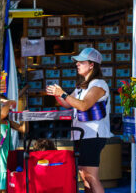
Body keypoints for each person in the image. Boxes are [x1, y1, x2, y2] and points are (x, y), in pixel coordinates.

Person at [46, 47, 109, 193]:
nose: (77, 64)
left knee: (91, 176)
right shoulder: (82, 86)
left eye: (81, 62)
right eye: (77, 62)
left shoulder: (99, 85)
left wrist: (62, 94)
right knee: (83, 174)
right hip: (82, 134)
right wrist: (57, 94)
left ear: (92, 64)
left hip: (94, 135)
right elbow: (68, 103)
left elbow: (83, 105)